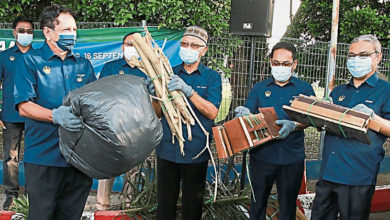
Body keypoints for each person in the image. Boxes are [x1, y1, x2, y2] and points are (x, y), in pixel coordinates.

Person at [13, 5, 96, 220]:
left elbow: (96, 105)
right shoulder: (30, 61)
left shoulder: (83, 66)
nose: (72, 34)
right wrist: (55, 116)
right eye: (67, 30)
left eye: (74, 30)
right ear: (48, 32)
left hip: (79, 160)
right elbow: (24, 106)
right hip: (44, 158)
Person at [311, 34, 390, 220]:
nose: (356, 60)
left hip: (358, 177)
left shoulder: (386, 91)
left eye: (363, 55)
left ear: (377, 57)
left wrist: (373, 119)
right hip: (328, 173)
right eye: (351, 55)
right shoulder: (338, 92)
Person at [235, 42, 315, 220]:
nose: (280, 67)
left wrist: (294, 125)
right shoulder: (260, 88)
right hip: (262, 156)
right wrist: (246, 115)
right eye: (276, 63)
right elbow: (250, 114)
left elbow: (311, 118)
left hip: (291, 158)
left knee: (287, 206)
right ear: (271, 62)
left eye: (286, 64)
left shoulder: (304, 89)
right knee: (257, 204)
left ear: (294, 64)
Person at [150, 26, 222, 220]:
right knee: (165, 203)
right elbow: (157, 113)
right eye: (184, 44)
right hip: (167, 148)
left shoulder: (212, 77)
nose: (188, 48)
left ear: (204, 50)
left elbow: (212, 111)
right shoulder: (167, 73)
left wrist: (189, 92)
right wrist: (156, 95)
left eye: (194, 45)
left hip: (196, 150)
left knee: (192, 204)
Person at [96, 31, 146, 210]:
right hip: (112, 125)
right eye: (128, 44)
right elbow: (100, 94)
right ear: (122, 47)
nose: (131, 48)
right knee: (106, 167)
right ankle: (102, 206)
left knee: (133, 169)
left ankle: (128, 205)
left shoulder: (147, 70)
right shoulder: (111, 67)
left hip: (137, 128)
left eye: (135, 45)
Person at [0, 15, 34, 210]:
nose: (25, 34)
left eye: (29, 31)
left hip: (34, 114)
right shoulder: (4, 56)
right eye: (22, 30)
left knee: (33, 156)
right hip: (10, 115)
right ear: (14, 32)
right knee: (10, 157)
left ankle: (31, 195)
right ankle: (11, 196)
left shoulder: (38, 56)